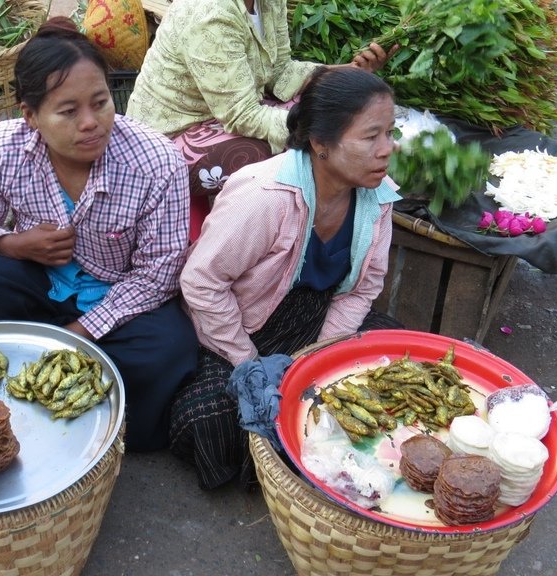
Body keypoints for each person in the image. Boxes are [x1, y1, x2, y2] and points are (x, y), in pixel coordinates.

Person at [0, 17, 198, 452]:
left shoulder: (156, 162)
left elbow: (159, 273)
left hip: (119, 296)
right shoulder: (6, 146)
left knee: (169, 350)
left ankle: (118, 438)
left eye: (100, 103)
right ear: (31, 116)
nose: (91, 123)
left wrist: (82, 329)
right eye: (68, 111)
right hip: (41, 279)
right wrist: (11, 244)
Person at [173, 66, 404, 489]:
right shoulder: (265, 196)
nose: (386, 150)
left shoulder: (377, 195)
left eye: (390, 133)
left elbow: (364, 288)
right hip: (245, 321)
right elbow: (202, 283)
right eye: (371, 137)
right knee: (210, 421)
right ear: (320, 143)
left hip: (316, 314)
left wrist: (319, 357)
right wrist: (248, 363)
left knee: (390, 375)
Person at [125, 0, 397, 201]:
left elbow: (280, 72)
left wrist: (347, 73)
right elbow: (242, 115)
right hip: (168, 139)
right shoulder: (210, 12)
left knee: (334, 108)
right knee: (279, 154)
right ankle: (259, 238)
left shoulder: (269, 2)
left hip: (222, 117)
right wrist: (322, 131)